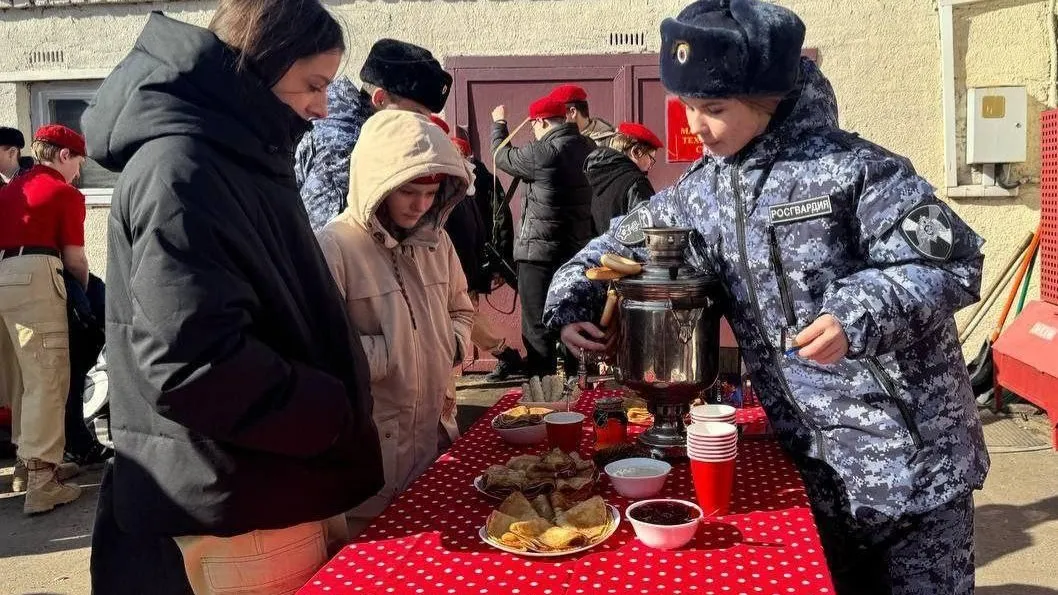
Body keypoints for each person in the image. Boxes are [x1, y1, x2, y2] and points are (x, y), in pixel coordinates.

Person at [544, 1, 988, 594]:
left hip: (912, 464)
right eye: (687, 106)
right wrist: (572, 305)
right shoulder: (699, 195)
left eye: (714, 108)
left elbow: (955, 262)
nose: (695, 125)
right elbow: (609, 251)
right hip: (805, 466)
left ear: (768, 98)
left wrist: (855, 313)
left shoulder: (856, 171)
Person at [82, 4, 384, 593]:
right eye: (314, 85)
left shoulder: (233, 155)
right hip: (239, 499)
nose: (322, 107)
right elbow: (190, 362)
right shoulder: (185, 168)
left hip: (264, 483)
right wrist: (327, 408)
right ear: (260, 65)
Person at [316, 110, 474, 532]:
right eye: (408, 191)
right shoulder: (336, 246)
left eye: (431, 193)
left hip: (436, 441)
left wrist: (452, 343)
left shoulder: (437, 243)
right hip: (375, 456)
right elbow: (320, 347)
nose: (420, 206)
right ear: (379, 181)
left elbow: (462, 310)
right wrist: (387, 353)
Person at [0, 124, 88, 514]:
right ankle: (41, 480)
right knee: (47, 376)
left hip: (3, 276)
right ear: (64, 155)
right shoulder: (63, 192)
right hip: (36, 275)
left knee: (21, 377)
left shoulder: (8, 190)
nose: (80, 172)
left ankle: (25, 465)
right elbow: (75, 259)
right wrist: (84, 293)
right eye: (79, 163)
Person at [296, 39, 452, 231]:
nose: (420, 126)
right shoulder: (344, 145)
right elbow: (328, 238)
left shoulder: (355, 124)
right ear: (380, 99)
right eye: (416, 115)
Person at [492, 96, 595, 378]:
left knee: (537, 325)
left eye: (534, 126)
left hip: (538, 255)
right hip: (576, 252)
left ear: (540, 122)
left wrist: (499, 124)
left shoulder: (543, 152)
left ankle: (542, 388)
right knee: (574, 317)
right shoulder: (589, 147)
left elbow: (501, 156)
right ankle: (579, 385)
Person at [429, 117, 524, 383]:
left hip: (460, 264)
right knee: (464, 317)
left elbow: (495, 222)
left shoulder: (462, 181)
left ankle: (505, 353)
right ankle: (505, 354)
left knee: (464, 317)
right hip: (460, 264)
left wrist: (497, 263)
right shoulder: (459, 181)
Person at [584, 121, 662, 235]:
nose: (651, 164)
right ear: (636, 151)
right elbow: (646, 227)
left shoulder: (595, 172)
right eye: (651, 158)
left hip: (596, 249)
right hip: (623, 251)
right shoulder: (636, 182)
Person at [549, 84, 615, 147]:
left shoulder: (612, 143)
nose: (554, 121)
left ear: (573, 112)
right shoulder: (553, 143)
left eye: (557, 115)